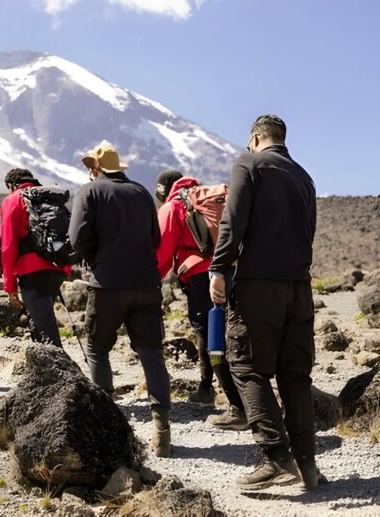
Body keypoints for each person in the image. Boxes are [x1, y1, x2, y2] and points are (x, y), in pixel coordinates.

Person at [209, 115, 320, 490]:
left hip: (259, 285)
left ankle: (275, 458)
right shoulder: (304, 176)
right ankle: (308, 466)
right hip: (299, 287)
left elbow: (233, 219)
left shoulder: (250, 164)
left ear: (255, 138)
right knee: (295, 375)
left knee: (246, 367)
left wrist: (219, 268)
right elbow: (310, 231)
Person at [69, 142, 171, 457]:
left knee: (97, 350)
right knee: (151, 352)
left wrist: (95, 258)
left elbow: (77, 238)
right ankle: (162, 430)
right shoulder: (141, 193)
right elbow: (156, 237)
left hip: (107, 284)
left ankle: (106, 425)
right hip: (146, 284)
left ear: (96, 167)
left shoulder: (90, 192)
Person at [155, 169, 248, 431]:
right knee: (234, 333)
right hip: (234, 271)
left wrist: (152, 281)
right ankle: (217, 390)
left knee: (211, 337)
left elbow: (162, 252)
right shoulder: (213, 200)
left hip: (201, 279)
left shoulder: (174, 207)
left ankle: (237, 408)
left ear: (163, 191)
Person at [0, 168, 69, 348]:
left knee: (45, 328)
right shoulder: (48, 198)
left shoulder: (13, 200)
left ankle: (60, 373)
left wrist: (10, 286)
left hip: (32, 273)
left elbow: (8, 246)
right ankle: (43, 370)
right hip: (57, 269)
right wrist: (65, 268)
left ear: (10, 186)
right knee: (39, 322)